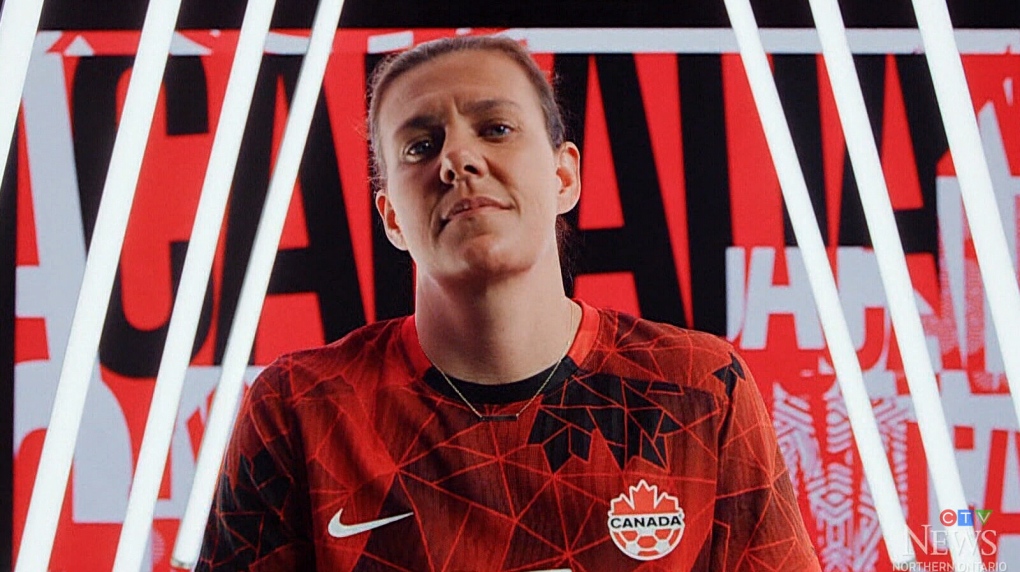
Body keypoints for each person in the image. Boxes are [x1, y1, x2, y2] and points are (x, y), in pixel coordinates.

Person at [196, 35, 821, 571]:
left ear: (564, 176)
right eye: (419, 146)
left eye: (495, 128)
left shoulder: (701, 389)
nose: (458, 160)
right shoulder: (298, 408)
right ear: (390, 218)